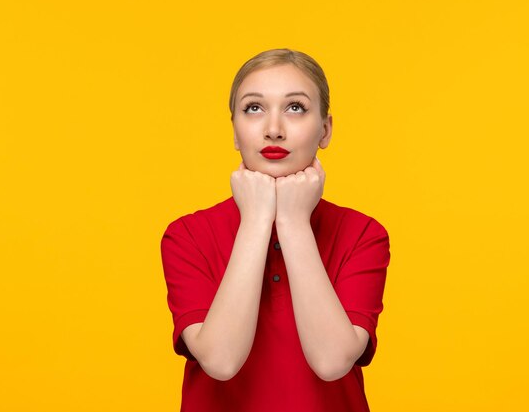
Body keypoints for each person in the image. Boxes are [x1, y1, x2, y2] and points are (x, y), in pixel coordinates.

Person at [160, 48, 391, 412]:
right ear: (235, 131)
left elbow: (332, 362)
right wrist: (255, 221)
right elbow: (220, 361)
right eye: (254, 108)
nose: (273, 129)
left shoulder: (363, 234)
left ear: (325, 129)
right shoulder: (187, 235)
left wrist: (294, 222)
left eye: (295, 107)